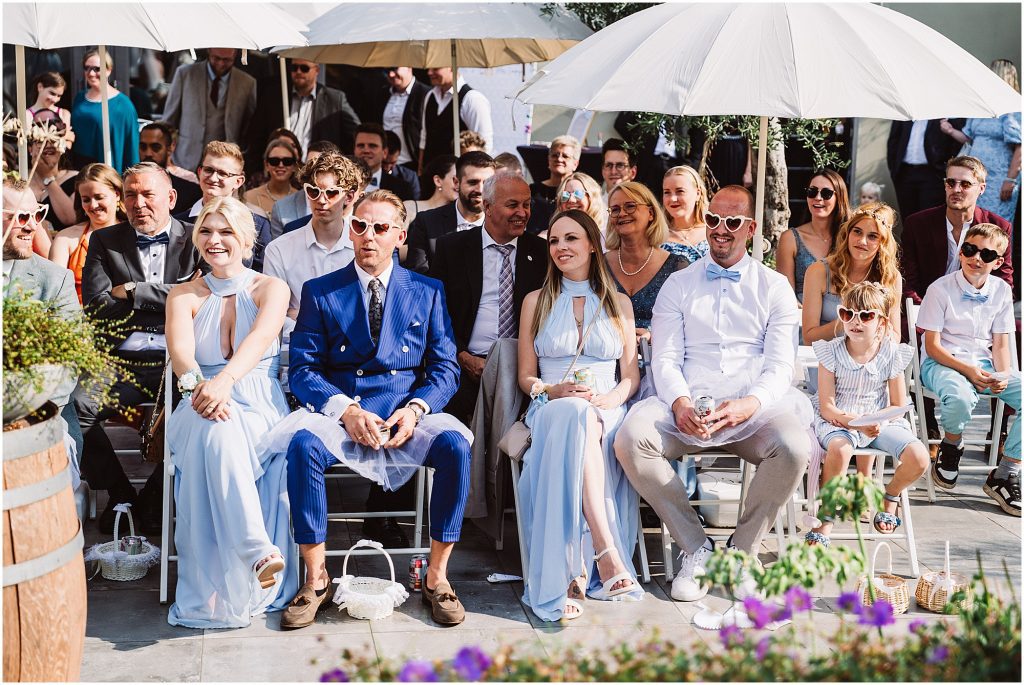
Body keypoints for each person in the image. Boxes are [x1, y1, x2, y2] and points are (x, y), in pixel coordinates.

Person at [260, 190, 473, 628]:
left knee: (455, 446)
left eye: (379, 228)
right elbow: (302, 370)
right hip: (344, 412)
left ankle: (437, 577)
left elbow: (447, 368)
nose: (367, 236)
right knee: (302, 446)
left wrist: (415, 410)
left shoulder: (428, 291)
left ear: (400, 234)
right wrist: (345, 410)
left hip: (406, 415)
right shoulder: (320, 291)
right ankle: (316, 578)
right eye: (359, 225)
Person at [614, 185, 811, 603]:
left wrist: (749, 404)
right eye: (713, 220)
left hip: (753, 406)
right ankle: (696, 548)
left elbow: (779, 365)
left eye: (732, 222)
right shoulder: (679, 283)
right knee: (631, 439)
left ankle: (742, 553)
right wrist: (680, 401)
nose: (721, 230)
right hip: (689, 401)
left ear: (751, 228)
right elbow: (665, 357)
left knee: (794, 447)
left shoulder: (774, 287)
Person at [165, 196, 297, 628]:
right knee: (214, 428)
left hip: (255, 399)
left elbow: (259, 342)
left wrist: (224, 383)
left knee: (218, 430)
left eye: (226, 232)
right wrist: (200, 387)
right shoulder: (183, 294)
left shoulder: (270, 288)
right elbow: (183, 356)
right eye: (206, 231)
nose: (215, 240)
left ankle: (247, 557)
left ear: (246, 239)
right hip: (198, 398)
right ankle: (257, 550)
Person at [517, 209, 643, 621]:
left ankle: (573, 570)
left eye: (571, 239)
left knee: (587, 417)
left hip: (606, 408)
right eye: (554, 241)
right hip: (551, 408)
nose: (561, 248)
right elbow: (525, 378)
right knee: (574, 413)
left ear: (592, 244)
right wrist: (552, 390)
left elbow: (631, 377)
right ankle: (606, 553)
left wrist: (611, 398)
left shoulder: (619, 303)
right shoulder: (535, 302)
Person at [77, 162, 201, 533]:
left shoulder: (196, 238)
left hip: (178, 360)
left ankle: (154, 495)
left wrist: (133, 290)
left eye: (148, 194)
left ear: (171, 197)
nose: (138, 202)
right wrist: (176, 294)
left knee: (199, 414)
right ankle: (119, 493)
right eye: (130, 194)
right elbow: (97, 306)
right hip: (120, 359)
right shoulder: (106, 240)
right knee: (76, 405)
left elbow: (203, 298)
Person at [803, 282, 929, 547]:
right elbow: (827, 407)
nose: (855, 322)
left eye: (866, 315)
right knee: (840, 450)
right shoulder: (831, 351)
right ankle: (826, 517)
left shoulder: (890, 354)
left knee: (919, 458)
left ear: (882, 323)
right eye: (847, 314)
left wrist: (875, 422)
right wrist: (857, 424)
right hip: (839, 420)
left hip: (880, 420)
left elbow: (896, 403)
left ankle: (891, 494)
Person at [919, 223, 1021, 516]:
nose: (976, 257)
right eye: (970, 249)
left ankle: (1006, 471)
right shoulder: (940, 289)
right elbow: (933, 345)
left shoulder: (1002, 290)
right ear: (962, 249)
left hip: (985, 364)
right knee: (961, 397)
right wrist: (967, 370)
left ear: (998, 262)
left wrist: (1003, 376)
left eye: (987, 254)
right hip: (942, 362)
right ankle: (952, 445)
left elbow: (1001, 344)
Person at [430, 171, 548, 424]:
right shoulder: (452, 249)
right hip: (464, 366)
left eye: (526, 205)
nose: (522, 212)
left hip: (524, 369)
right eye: (512, 205)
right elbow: (436, 315)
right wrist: (463, 357)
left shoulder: (541, 253)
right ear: (487, 207)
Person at [3, 177, 83, 456]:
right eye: (22, 216)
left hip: (38, 409)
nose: (33, 225)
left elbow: (68, 362)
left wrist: (25, 415)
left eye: (38, 213)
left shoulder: (54, 279)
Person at [900, 156, 1014, 306]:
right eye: (951, 182)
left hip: (974, 309)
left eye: (965, 184)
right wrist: (924, 311)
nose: (956, 189)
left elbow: (1003, 283)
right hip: (924, 308)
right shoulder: (917, 224)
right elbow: (907, 280)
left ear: (981, 188)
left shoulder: (998, 227)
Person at [802, 202, 902, 345]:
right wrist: (849, 320)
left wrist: (874, 324)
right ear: (847, 233)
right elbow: (808, 338)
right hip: (824, 359)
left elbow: (895, 338)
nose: (862, 241)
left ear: (883, 243)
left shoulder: (890, 276)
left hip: (870, 360)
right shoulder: (819, 271)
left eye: (872, 236)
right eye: (857, 231)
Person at [605, 182, 685, 341]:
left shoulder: (677, 267)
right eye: (615, 209)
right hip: (606, 359)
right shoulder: (597, 264)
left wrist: (654, 337)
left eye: (630, 206)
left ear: (651, 213)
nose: (621, 214)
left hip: (658, 356)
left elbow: (690, 324)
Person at [178, 141, 272, 272]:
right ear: (199, 172)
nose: (213, 178)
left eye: (222, 173)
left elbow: (262, 274)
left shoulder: (257, 224)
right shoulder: (177, 222)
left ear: (238, 181)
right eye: (208, 170)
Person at [161, 49, 257, 171]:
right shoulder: (185, 74)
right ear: (209, 52)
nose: (221, 64)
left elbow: (249, 127)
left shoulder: (247, 83)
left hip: (223, 163)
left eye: (227, 60)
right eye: (216, 58)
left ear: (235, 55)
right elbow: (169, 121)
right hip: (185, 160)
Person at [953, 60, 1021, 224]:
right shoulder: (981, 107)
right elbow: (969, 138)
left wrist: (1010, 180)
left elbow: (1020, 146)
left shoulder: (1012, 108)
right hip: (976, 176)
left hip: (999, 178)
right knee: (975, 221)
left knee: (996, 224)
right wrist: (949, 130)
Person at [405, 151, 496, 274]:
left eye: (487, 183)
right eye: (473, 182)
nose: (480, 189)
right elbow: (419, 278)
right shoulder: (427, 222)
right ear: (456, 183)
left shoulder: (502, 224)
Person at [48, 163, 126, 303]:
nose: (93, 205)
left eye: (99, 197)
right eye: (86, 199)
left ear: (117, 194)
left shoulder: (134, 233)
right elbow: (54, 290)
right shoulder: (66, 238)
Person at [777, 170, 851, 303]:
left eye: (826, 193)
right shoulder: (791, 239)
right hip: (801, 316)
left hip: (843, 317)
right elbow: (785, 295)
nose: (818, 197)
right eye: (812, 191)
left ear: (839, 197)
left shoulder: (849, 238)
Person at [71, 50, 139, 173]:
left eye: (97, 69)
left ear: (108, 70)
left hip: (104, 168)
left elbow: (131, 146)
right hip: (78, 167)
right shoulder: (80, 98)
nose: (91, 73)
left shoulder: (123, 105)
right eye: (87, 68)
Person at [887, 118, 965, 221]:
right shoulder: (905, 115)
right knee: (908, 218)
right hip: (905, 173)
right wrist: (894, 169)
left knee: (929, 218)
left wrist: (944, 168)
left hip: (932, 174)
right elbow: (893, 140)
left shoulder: (943, 116)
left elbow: (956, 144)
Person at [419, 67, 493, 168]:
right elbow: (424, 138)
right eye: (429, 68)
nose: (429, 72)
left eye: (435, 68)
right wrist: (420, 169)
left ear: (451, 67)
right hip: (430, 174)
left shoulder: (472, 99)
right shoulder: (430, 96)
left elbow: (484, 145)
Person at [269, 140, 340, 239]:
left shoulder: (350, 205)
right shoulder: (281, 208)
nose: (314, 171)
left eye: (322, 166)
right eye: (310, 164)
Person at [138, 123, 203, 209]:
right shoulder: (126, 184)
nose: (148, 153)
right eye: (143, 147)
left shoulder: (190, 192)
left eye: (155, 147)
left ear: (169, 148)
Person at [376, 67, 429, 171]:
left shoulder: (425, 94)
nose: (391, 74)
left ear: (409, 67)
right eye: (387, 71)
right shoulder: (383, 93)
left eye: (395, 69)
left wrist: (421, 166)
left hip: (412, 164)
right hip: (384, 165)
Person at [527, 135, 581, 235]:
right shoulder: (533, 190)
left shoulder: (580, 193)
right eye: (555, 155)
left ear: (575, 164)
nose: (559, 159)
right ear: (549, 160)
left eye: (565, 156)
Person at [27, 135, 77, 234]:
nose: (48, 144)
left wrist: (47, 177)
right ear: (30, 148)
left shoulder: (76, 178)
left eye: (54, 140)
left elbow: (70, 218)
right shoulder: (19, 178)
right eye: (41, 141)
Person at [661, 165, 710, 263]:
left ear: (698, 194)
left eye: (680, 191)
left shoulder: (714, 232)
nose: (672, 199)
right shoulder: (656, 236)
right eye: (667, 192)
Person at [354, 123, 416, 200]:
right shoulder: (341, 183)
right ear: (354, 149)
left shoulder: (402, 188)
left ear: (384, 152)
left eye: (372, 146)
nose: (366, 150)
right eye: (361, 145)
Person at [247, 139, 300, 217]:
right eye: (274, 161)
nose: (281, 165)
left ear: (294, 166)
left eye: (287, 161)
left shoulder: (302, 200)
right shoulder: (249, 197)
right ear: (266, 165)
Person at [403, 154, 457, 229]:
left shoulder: (460, 215)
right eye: (455, 179)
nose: (459, 184)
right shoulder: (410, 207)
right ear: (438, 181)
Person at [553, 172, 605, 240]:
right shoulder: (551, 236)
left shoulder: (606, 234)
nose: (571, 200)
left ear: (592, 197)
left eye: (578, 194)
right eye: (565, 195)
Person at [26, 71, 73, 136]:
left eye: (59, 96)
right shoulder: (27, 115)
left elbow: (68, 144)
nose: (55, 99)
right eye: (52, 93)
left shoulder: (64, 113)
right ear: (40, 87)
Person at [383, 130, 422, 201]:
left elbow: (415, 204)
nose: (387, 167)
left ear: (398, 155)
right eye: (384, 163)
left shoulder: (410, 177)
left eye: (392, 163)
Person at [600, 139, 638, 203]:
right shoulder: (593, 208)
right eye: (609, 165)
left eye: (620, 165)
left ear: (633, 172)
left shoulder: (643, 206)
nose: (613, 171)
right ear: (603, 171)